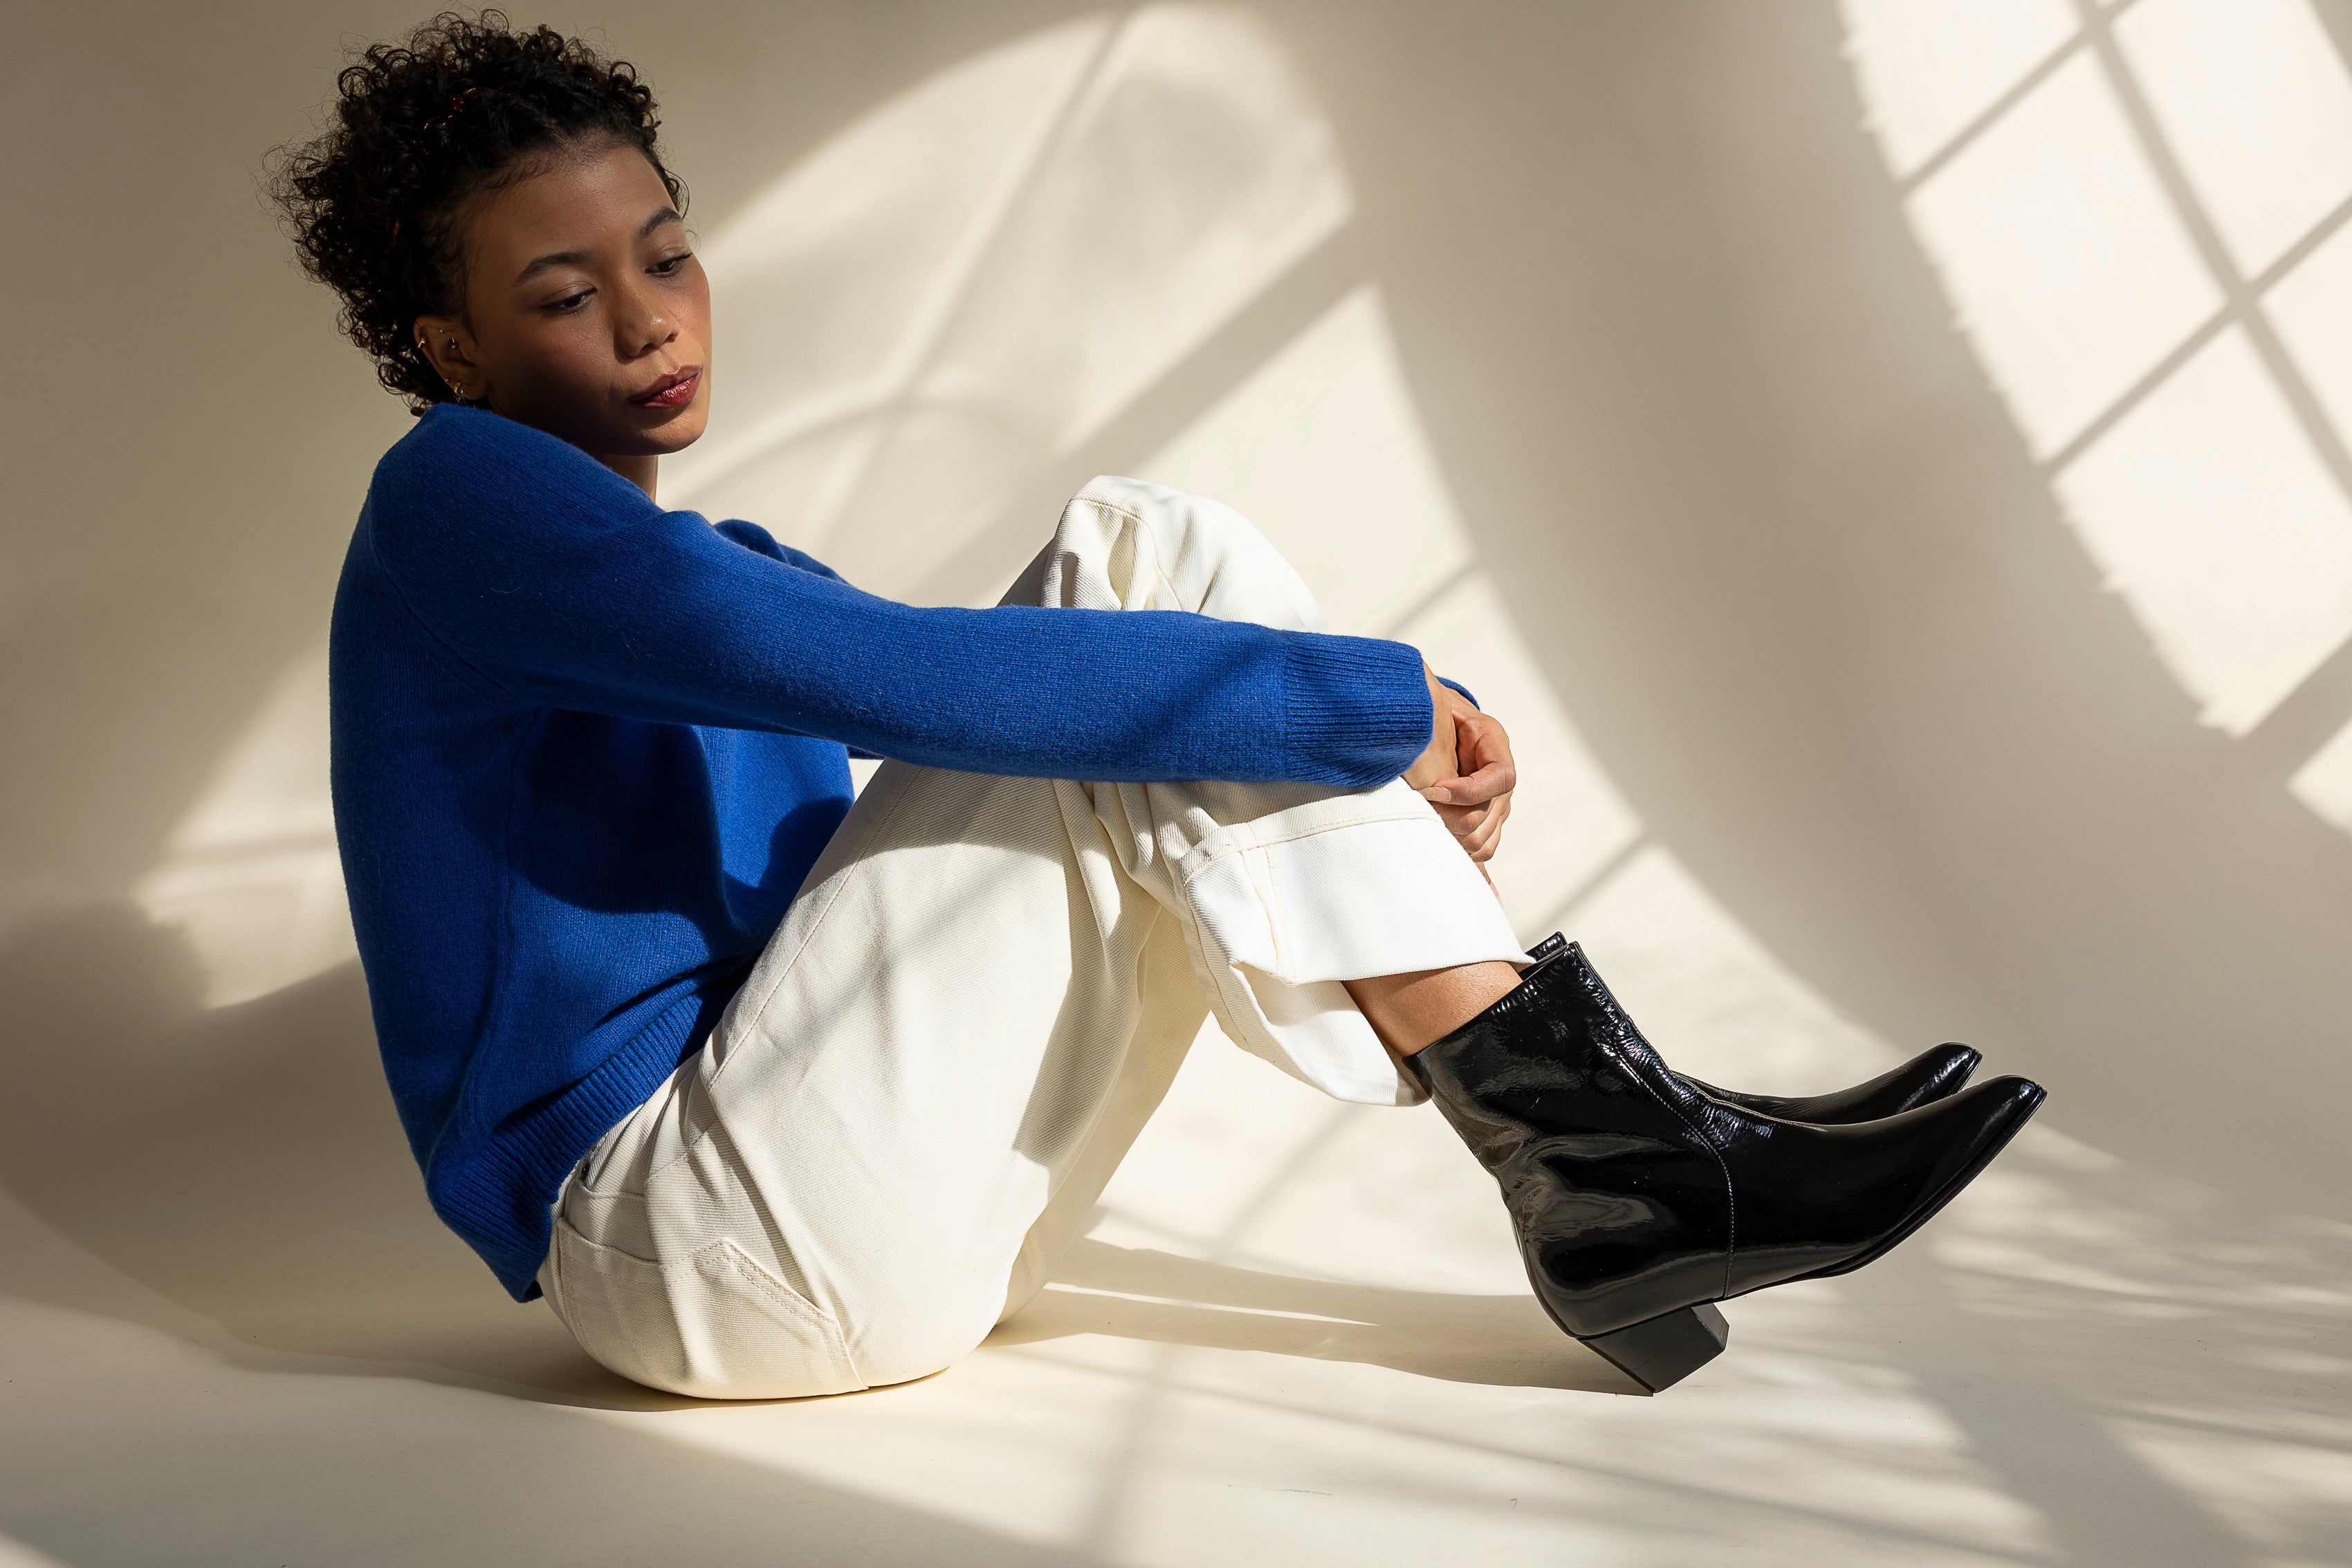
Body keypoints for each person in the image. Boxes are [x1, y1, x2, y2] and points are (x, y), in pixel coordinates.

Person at [272, 12, 2041, 1399]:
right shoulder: (459, 504)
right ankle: (1608, 1148)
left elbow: (978, 692)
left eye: (666, 255)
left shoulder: (716, 566)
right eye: (567, 296)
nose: (652, 322)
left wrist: (1376, 724)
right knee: (1143, 552)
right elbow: (902, 678)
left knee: (1134, 643)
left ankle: (1616, 1152)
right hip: (688, 1244)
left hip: (900, 1208)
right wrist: (1382, 709)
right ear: (453, 354)